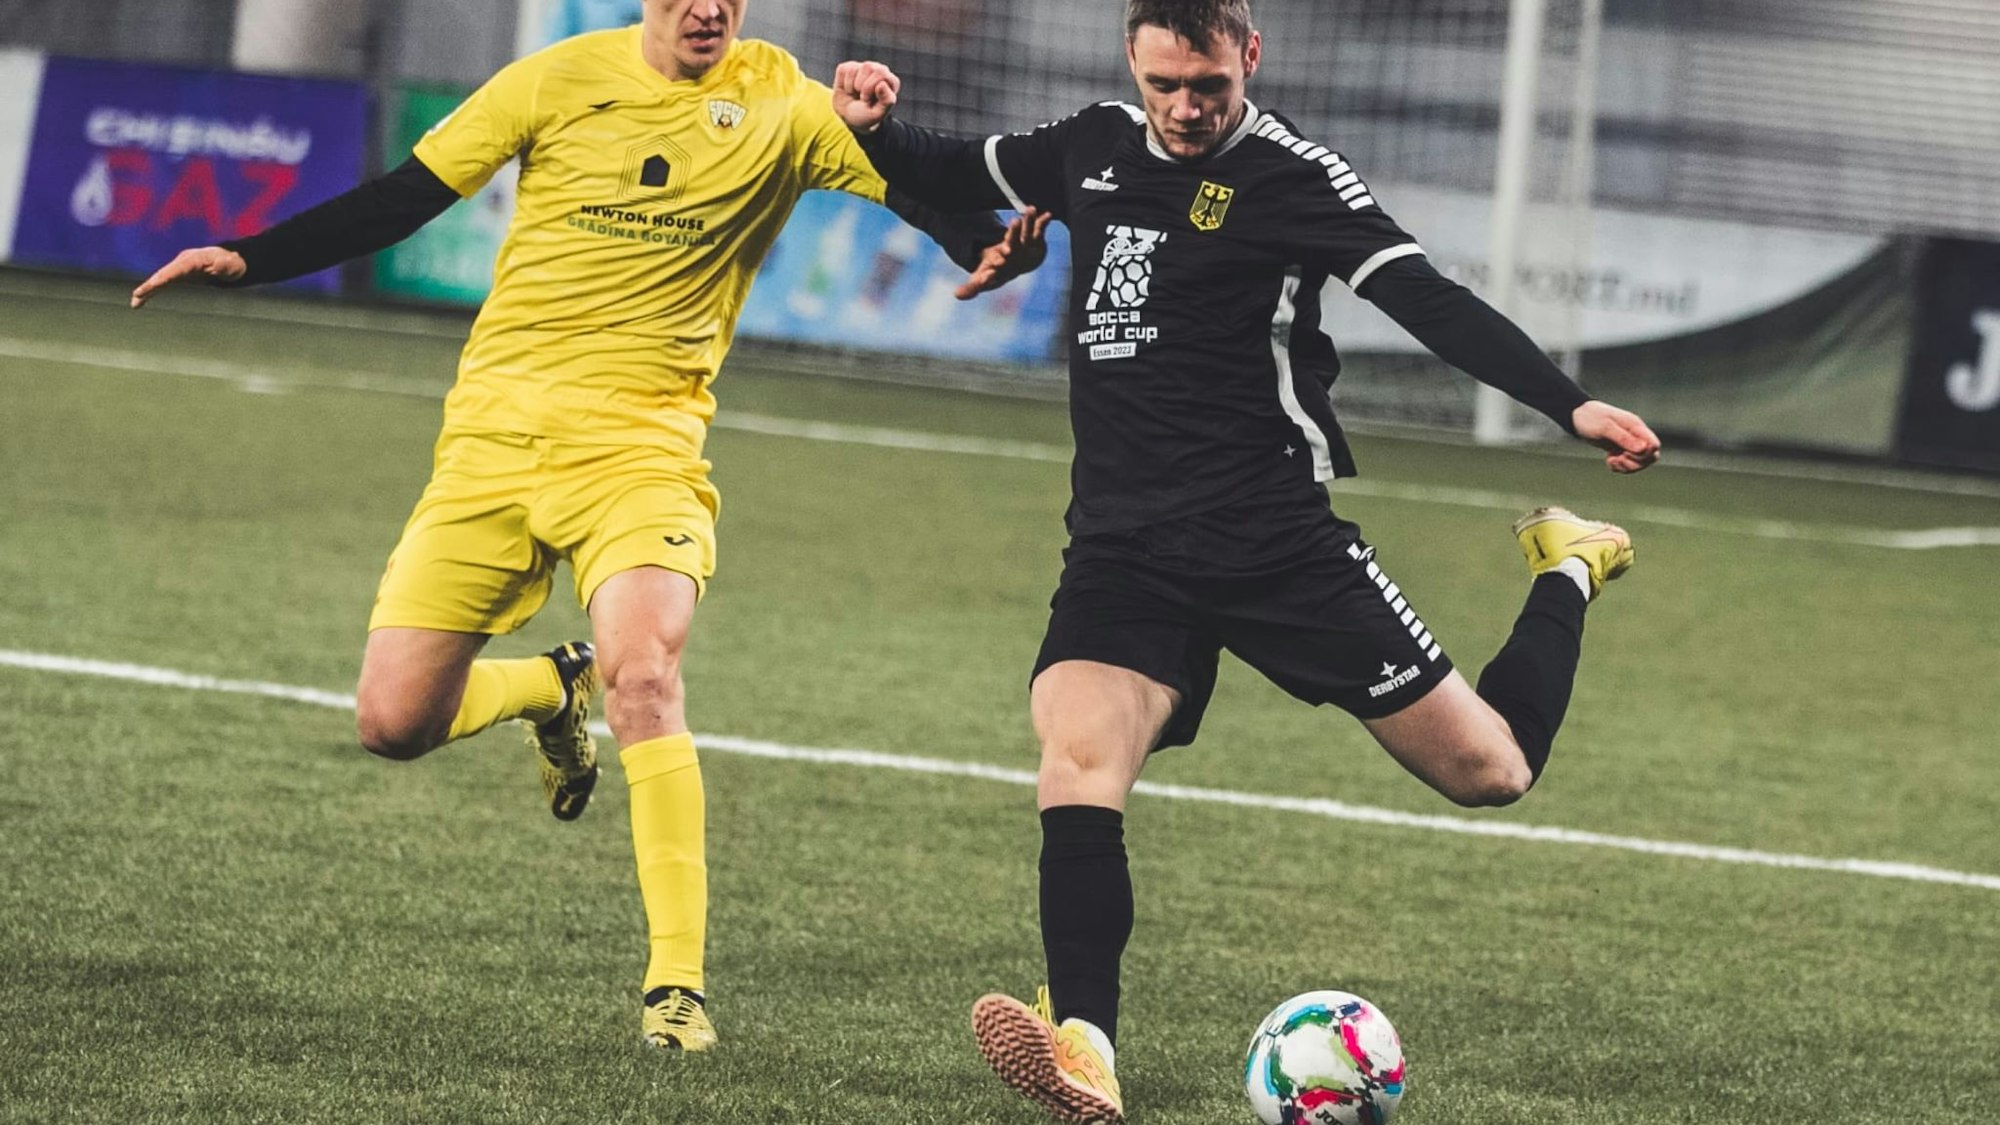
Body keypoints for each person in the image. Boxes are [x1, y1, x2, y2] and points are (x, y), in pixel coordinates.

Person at [129, 0, 1045, 1053]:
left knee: (646, 674)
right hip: (493, 444)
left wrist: (985, 246)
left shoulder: (781, 103)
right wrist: (248, 258)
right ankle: (543, 687)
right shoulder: (554, 80)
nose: (707, 8)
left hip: (642, 450)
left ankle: (676, 988)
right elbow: (403, 198)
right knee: (391, 724)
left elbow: (918, 192)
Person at [833, 0, 1661, 1119]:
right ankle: (1085, 1048)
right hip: (1122, 548)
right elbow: (953, 165)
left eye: (1208, 86)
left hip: (1272, 540)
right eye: (1165, 84)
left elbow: (1427, 301)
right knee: (1076, 763)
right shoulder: (1087, 143)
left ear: (1248, 59)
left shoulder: (1294, 178)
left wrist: (1567, 404)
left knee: (1491, 772)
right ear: (1131, 61)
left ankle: (1564, 567)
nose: (1184, 108)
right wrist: (877, 126)